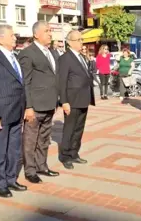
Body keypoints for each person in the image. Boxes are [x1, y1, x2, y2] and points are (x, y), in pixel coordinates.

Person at [0, 25, 27, 198]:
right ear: (0, 38)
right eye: (12, 36)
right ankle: (0, 184)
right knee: (0, 150)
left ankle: (11, 179)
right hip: (1, 113)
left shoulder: (14, 58)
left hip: (17, 111)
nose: (15, 38)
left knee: (14, 149)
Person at [18, 21, 60, 184]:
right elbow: (25, 82)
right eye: (47, 31)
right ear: (36, 34)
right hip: (35, 106)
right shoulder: (28, 53)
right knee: (30, 140)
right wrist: (28, 107)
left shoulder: (51, 52)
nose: (50, 33)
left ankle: (42, 166)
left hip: (49, 103)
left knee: (44, 139)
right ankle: (30, 170)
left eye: (50, 31)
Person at [58, 31, 95, 169]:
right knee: (70, 128)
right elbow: (62, 82)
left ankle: (74, 153)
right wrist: (64, 101)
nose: (81, 42)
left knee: (79, 128)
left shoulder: (81, 57)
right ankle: (65, 156)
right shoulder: (65, 58)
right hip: (72, 100)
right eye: (78, 39)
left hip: (83, 98)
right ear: (70, 42)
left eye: (81, 39)